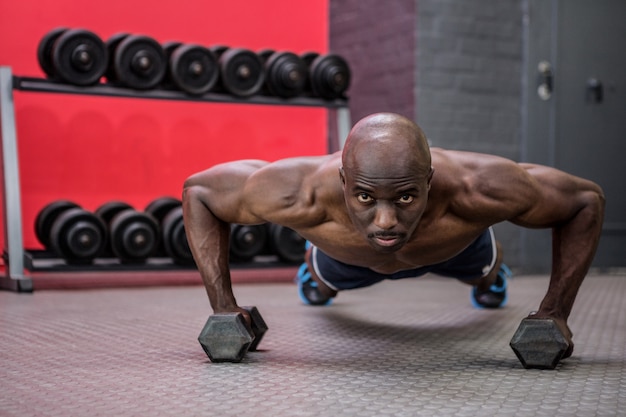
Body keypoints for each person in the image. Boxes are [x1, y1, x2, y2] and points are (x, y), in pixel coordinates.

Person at [182, 112, 605, 360]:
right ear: (344, 181)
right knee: (318, 287)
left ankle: (491, 278)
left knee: (487, 271)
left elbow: (585, 200)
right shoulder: (299, 190)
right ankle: (316, 280)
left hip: (455, 249)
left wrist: (555, 312)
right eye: (365, 196)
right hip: (344, 259)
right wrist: (224, 307)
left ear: (429, 180)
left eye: (405, 196)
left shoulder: (478, 188)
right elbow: (199, 192)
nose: (385, 221)